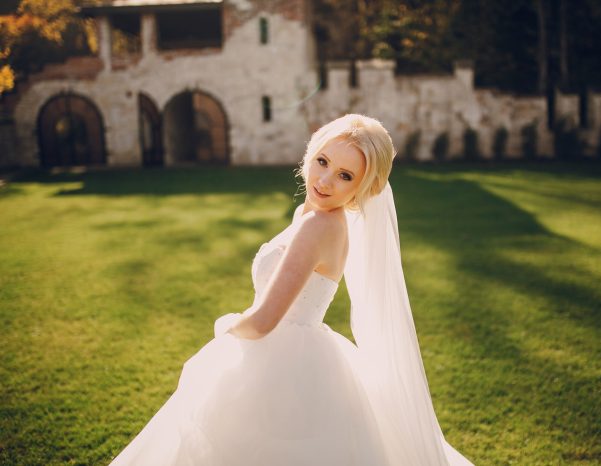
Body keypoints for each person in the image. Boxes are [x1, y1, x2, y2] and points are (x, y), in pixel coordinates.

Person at [108, 114, 474, 466]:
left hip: (280, 367)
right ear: (310, 152)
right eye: (322, 161)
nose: (325, 181)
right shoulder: (314, 215)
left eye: (345, 175)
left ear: (363, 189)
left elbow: (265, 321)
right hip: (304, 356)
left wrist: (227, 327)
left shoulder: (317, 225)